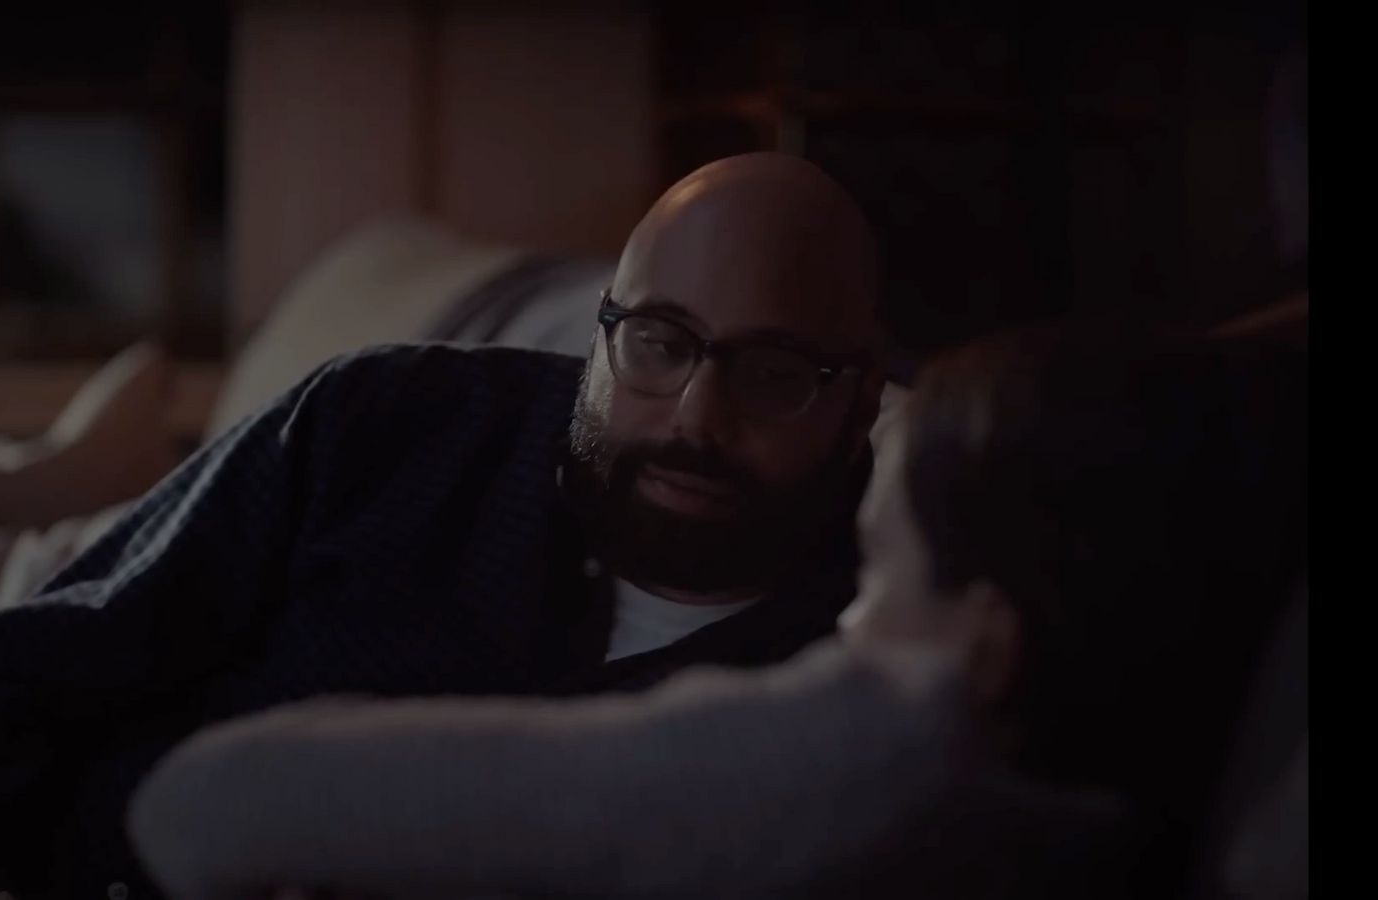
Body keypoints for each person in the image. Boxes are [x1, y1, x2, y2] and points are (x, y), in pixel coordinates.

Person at [0, 152, 890, 898]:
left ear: (859, 409)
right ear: (603, 336)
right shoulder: (384, 423)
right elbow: (42, 664)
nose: (695, 417)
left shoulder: (865, 660)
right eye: (658, 342)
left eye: (772, 374)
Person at [127, 327, 1308, 900]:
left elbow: (203, 807)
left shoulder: (885, 770)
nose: (848, 615)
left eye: (878, 567)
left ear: (988, 644)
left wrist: (886, 712)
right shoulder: (1111, 817)